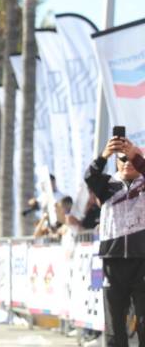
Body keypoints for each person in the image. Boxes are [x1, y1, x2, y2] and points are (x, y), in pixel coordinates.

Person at [85, 135, 145, 347]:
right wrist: (104, 155)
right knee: (114, 323)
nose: (127, 162)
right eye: (122, 159)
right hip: (113, 260)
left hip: (142, 261)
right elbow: (89, 175)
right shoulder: (106, 185)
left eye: (132, 159)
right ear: (116, 162)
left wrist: (135, 156)